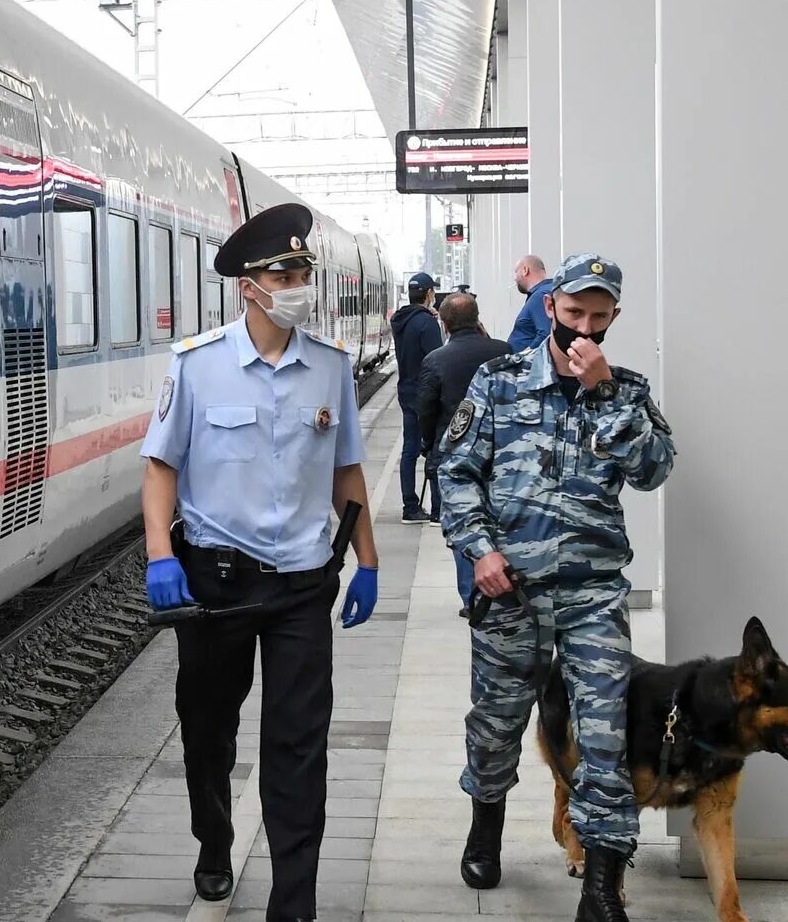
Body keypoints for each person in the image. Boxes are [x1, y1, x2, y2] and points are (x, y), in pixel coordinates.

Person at [140, 201, 381, 922]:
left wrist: (367, 560)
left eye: (303, 269)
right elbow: (160, 468)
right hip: (215, 585)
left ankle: (294, 902)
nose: (297, 281)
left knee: (298, 746)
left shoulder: (331, 368)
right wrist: (160, 557)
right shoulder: (196, 367)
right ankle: (215, 841)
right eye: (284, 270)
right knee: (209, 730)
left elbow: (347, 472)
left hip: (303, 585)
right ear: (248, 285)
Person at [436, 253, 676, 922]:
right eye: (574, 314)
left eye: (599, 319)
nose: (585, 330)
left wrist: (601, 393)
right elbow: (455, 473)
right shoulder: (500, 381)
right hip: (509, 593)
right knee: (496, 726)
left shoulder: (624, 390)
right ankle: (486, 830)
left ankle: (601, 887)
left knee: (605, 737)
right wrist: (479, 551)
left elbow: (655, 469)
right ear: (550, 309)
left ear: (614, 319)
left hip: (592, 598)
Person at [412, 292, 511, 614]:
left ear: (444, 323)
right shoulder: (504, 352)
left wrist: (429, 446)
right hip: (502, 455)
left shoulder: (436, 360)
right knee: (502, 520)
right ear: (478, 318)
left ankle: (473, 597)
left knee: (464, 525)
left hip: (455, 457)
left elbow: (424, 410)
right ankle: (504, 586)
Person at [390, 271, 443, 523]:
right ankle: (436, 508)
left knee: (409, 449)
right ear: (429, 294)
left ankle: (410, 505)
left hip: (405, 391)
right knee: (433, 448)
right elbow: (437, 360)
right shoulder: (427, 323)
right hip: (425, 394)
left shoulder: (400, 320)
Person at [507, 253, 553, 352]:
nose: (515, 278)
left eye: (516, 272)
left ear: (525, 270)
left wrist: (522, 357)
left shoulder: (540, 295)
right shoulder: (549, 290)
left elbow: (545, 334)